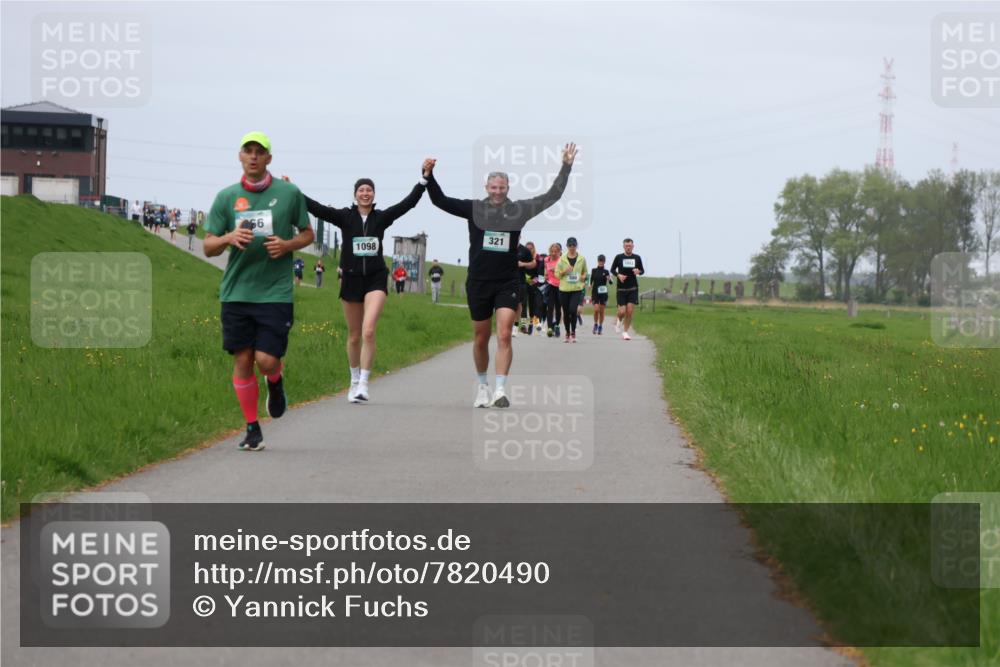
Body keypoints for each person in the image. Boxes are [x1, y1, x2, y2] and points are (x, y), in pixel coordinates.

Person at [423, 143, 577, 407]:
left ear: (508, 188)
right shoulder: (474, 209)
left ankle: (500, 390)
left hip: (507, 281)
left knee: (504, 334)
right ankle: (483, 386)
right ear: (486, 188)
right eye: (493, 187)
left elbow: (552, 196)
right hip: (479, 281)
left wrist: (566, 166)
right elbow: (440, 200)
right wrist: (428, 176)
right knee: (481, 338)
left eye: (502, 188)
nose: (497, 191)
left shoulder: (519, 210)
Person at [203, 131, 314, 451]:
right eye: (248, 150)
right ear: (240, 156)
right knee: (242, 358)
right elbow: (208, 246)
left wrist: (288, 245)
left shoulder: (289, 193)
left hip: (275, 292)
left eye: (259, 151)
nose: (253, 156)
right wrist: (228, 238)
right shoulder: (226, 197)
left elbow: (307, 233)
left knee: (265, 360)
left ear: (269, 158)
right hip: (236, 291)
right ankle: (252, 428)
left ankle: (275, 381)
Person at [298, 175, 425, 403]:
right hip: (351, 279)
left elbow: (408, 204)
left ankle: (365, 383)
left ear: (373, 194)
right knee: (355, 335)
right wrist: (293, 191)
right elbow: (317, 209)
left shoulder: (381, 218)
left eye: (369, 190)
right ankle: (354, 380)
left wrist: (423, 181)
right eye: (361, 190)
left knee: (368, 331)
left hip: (376, 278)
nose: (365, 193)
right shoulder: (345, 217)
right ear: (355, 195)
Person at [611, 238, 645, 341]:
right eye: (626, 246)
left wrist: (638, 271)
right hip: (621, 289)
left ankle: (625, 332)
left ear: (633, 246)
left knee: (629, 311)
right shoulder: (619, 257)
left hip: (632, 288)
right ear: (623, 246)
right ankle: (618, 320)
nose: (628, 247)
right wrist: (618, 275)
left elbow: (642, 270)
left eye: (630, 246)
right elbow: (612, 270)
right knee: (622, 311)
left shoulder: (637, 258)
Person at [555, 237, 588, 343]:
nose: (572, 247)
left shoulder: (582, 258)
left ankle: (573, 332)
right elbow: (557, 274)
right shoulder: (562, 259)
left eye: (573, 245)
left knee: (573, 310)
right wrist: (565, 271)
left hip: (576, 289)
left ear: (576, 246)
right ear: (567, 246)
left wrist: (583, 277)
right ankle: (567, 333)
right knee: (566, 312)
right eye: (570, 245)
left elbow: (585, 272)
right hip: (564, 289)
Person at [515, 243, 537, 336]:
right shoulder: (522, 256)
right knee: (523, 305)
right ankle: (524, 325)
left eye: (531, 248)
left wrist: (535, 280)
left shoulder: (537, 258)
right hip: (523, 283)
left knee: (534, 306)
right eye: (528, 248)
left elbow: (540, 272)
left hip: (533, 285)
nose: (530, 250)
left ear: (534, 249)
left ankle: (533, 323)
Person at [543, 242, 562, 338]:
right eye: (552, 251)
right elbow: (545, 270)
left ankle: (557, 325)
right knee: (550, 307)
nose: (553, 253)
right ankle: (550, 328)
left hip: (560, 286)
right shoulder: (546, 259)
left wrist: (557, 271)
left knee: (558, 308)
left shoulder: (561, 260)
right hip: (550, 285)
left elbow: (566, 272)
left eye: (555, 252)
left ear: (559, 252)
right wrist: (545, 274)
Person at [590, 254, 611, 334]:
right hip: (595, 292)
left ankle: (600, 326)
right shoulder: (594, 270)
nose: (601, 262)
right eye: (599, 261)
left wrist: (609, 279)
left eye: (602, 261)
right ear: (598, 261)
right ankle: (595, 324)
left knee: (601, 311)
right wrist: (590, 285)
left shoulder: (606, 271)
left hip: (603, 293)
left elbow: (611, 282)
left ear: (604, 262)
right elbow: (591, 279)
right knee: (596, 310)